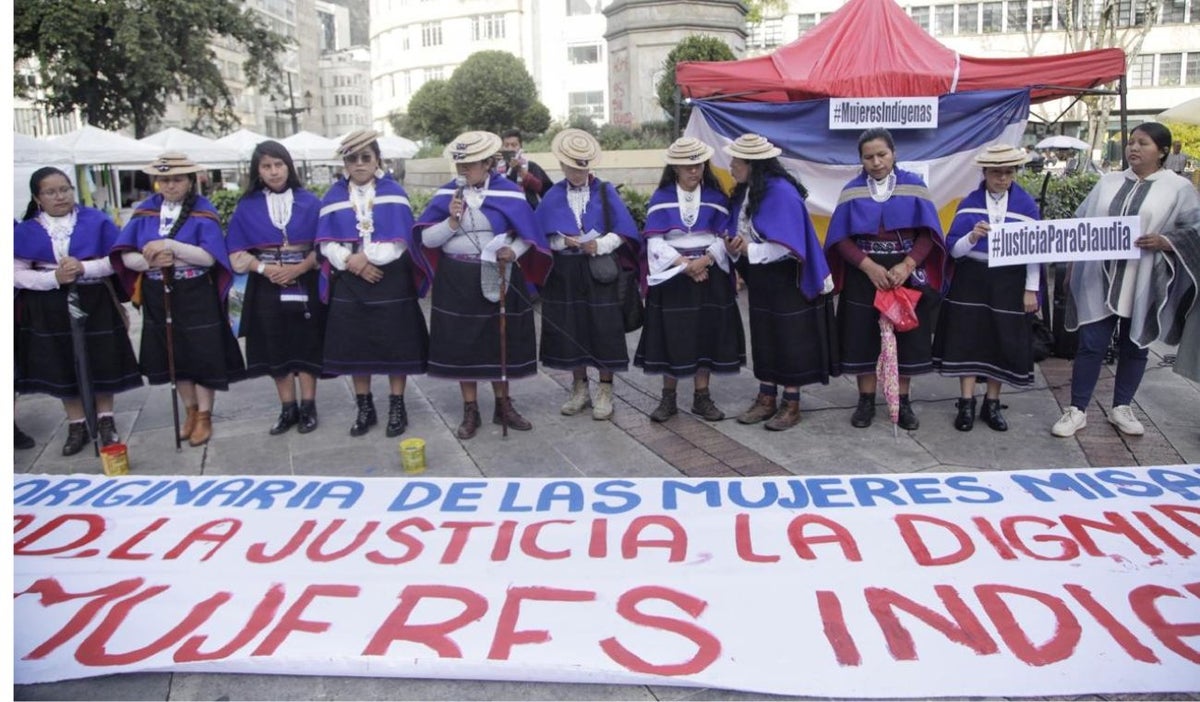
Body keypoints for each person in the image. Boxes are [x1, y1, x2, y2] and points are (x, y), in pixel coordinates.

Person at [1052, 122, 1200, 438]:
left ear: (1161, 151)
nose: (1133, 148)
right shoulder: (1108, 182)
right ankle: (1077, 409)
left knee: (1136, 343)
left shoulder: (1177, 187)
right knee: (1091, 343)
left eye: (1142, 143)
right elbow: (1082, 225)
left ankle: (1122, 407)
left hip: (1146, 276)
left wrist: (1166, 241)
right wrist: (1072, 267)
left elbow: (1194, 229)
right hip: (1098, 276)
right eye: (1131, 142)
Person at [415, 130, 552, 439]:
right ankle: (470, 409)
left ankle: (503, 405)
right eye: (460, 164)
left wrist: (512, 252)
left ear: (488, 163)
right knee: (465, 345)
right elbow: (425, 239)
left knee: (498, 341)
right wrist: (451, 222)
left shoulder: (508, 192)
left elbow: (527, 236)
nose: (464, 170)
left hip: (498, 271)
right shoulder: (446, 196)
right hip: (456, 278)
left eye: (471, 164)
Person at [113, 152, 245, 447]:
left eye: (176, 180)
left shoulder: (203, 211)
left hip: (195, 293)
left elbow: (209, 257)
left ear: (189, 182)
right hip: (158, 293)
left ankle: (205, 416)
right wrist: (154, 260)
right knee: (174, 354)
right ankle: (190, 411)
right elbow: (125, 256)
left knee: (201, 352)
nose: (170, 185)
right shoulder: (145, 211)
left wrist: (171, 246)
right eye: (164, 180)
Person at [824, 128, 946, 430]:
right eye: (869, 157)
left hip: (903, 272)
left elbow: (928, 234)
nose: (876, 162)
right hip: (864, 274)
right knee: (861, 336)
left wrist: (907, 265)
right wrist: (868, 267)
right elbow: (840, 238)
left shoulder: (914, 187)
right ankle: (866, 400)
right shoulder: (852, 191)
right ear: (861, 160)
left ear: (893, 153)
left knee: (906, 336)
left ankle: (902, 401)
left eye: (882, 154)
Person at [15, 167, 143, 455]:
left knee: (102, 356)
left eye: (65, 189)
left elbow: (115, 260)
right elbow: (15, 272)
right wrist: (52, 278)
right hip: (49, 304)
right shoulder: (26, 231)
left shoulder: (96, 221)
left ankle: (105, 420)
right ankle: (77, 423)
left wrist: (85, 267)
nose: (60, 196)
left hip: (94, 298)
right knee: (61, 359)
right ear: (38, 198)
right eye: (51, 192)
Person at [316, 129, 430, 438]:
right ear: (345, 163)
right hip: (350, 279)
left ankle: (397, 405)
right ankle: (364, 407)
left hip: (389, 277)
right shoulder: (334, 196)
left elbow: (402, 241)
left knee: (396, 346)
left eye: (366, 157)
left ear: (377, 159)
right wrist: (349, 261)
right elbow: (325, 243)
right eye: (352, 159)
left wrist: (366, 257)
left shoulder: (393, 192)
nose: (359, 164)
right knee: (356, 348)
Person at [723, 134, 836, 432]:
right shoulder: (746, 191)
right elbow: (742, 230)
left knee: (790, 339)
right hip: (761, 277)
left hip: (788, 278)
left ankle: (791, 402)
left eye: (736, 161)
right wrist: (736, 248)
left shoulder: (781, 192)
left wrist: (749, 249)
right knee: (763, 335)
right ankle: (766, 397)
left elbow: (789, 244)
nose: (731, 165)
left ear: (752, 164)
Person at [634, 137, 745, 422]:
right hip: (674, 277)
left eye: (697, 165)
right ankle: (668, 399)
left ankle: (702, 398)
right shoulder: (661, 198)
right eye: (687, 167)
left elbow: (725, 237)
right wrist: (684, 264)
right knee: (672, 335)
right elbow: (654, 242)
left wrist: (704, 261)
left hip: (709, 273)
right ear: (675, 169)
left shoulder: (717, 198)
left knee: (705, 334)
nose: (693, 171)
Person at [933, 145, 1041, 432]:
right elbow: (953, 252)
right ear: (985, 173)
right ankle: (966, 402)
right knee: (968, 338)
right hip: (972, 280)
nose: (1002, 178)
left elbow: (1036, 251)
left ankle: (992, 403)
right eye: (996, 173)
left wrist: (1031, 289)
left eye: (1008, 172)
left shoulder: (1027, 206)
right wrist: (971, 236)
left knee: (1001, 339)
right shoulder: (968, 203)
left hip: (1009, 281)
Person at [536, 128, 641, 421]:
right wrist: (562, 241)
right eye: (572, 166)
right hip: (565, 273)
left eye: (582, 167)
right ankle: (579, 389)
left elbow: (625, 233)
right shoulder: (553, 195)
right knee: (572, 329)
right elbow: (542, 236)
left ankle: (605, 391)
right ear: (562, 165)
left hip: (599, 271)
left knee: (604, 330)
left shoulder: (605, 191)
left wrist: (599, 245)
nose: (578, 172)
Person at [227, 140, 325, 435]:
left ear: (288, 166)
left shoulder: (310, 201)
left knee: (306, 341)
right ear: (257, 171)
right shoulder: (247, 206)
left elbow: (323, 246)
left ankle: (308, 405)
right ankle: (288, 408)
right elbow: (235, 253)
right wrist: (265, 269)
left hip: (304, 278)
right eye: (266, 166)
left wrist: (300, 267)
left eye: (279, 165)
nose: (274, 171)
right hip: (266, 283)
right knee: (275, 342)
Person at [500, 128, 553, 209]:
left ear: (520, 147)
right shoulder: (495, 168)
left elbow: (541, 188)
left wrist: (521, 171)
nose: (510, 149)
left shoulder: (531, 166)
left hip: (528, 212)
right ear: (502, 148)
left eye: (514, 145)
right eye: (506, 145)